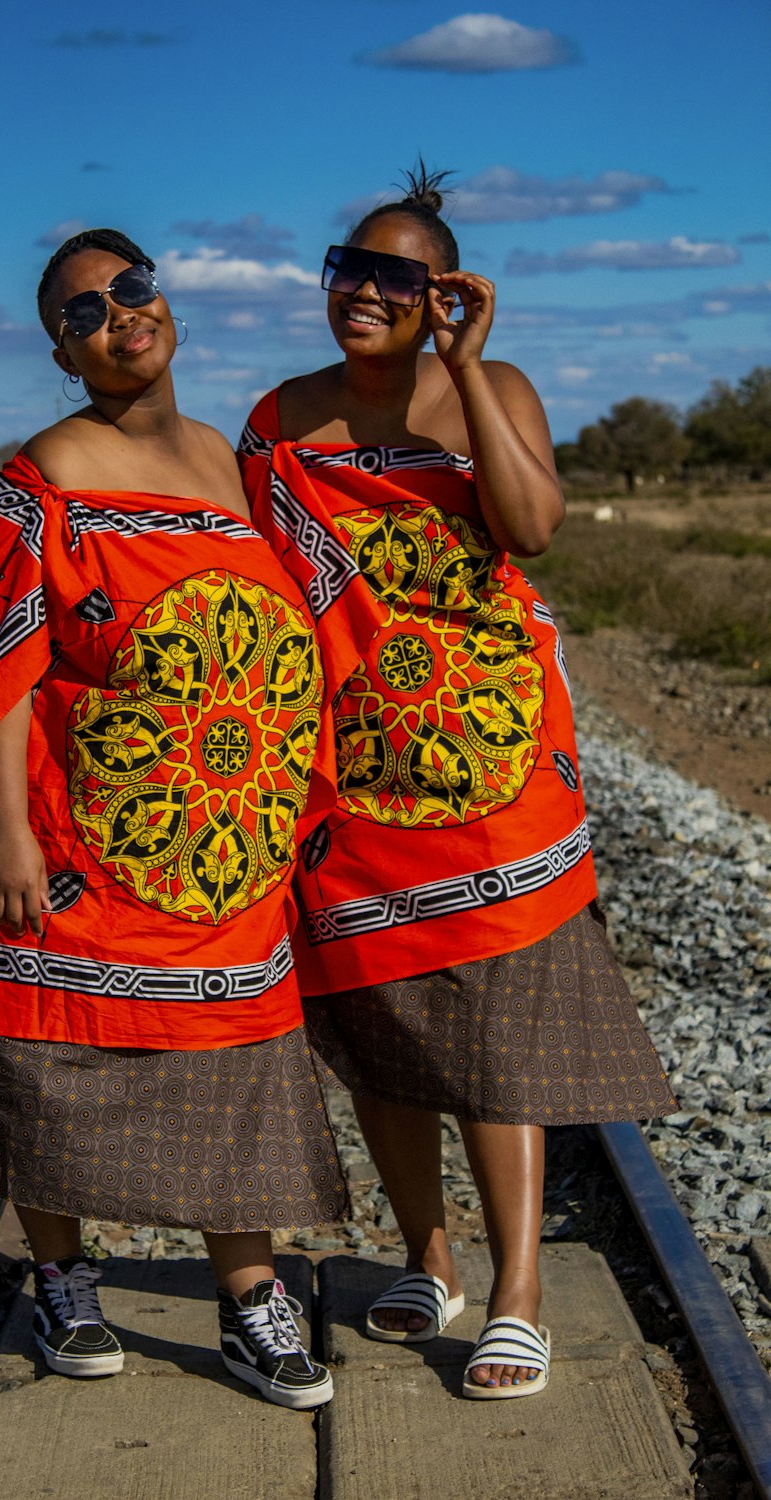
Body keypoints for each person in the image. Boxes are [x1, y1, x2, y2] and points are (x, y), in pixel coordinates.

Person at [0, 227, 354, 1410]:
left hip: (213, 839)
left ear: (162, 303)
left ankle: (249, 1303)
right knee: (41, 1054)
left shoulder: (228, 462)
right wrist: (8, 830)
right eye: (84, 312)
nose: (119, 315)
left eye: (132, 289)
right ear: (63, 354)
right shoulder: (42, 477)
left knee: (233, 1063)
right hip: (77, 827)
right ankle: (61, 1275)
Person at [238, 166, 677, 1399]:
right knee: (380, 1025)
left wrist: (472, 369)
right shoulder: (278, 421)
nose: (363, 292)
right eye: (349, 266)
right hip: (348, 773)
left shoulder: (497, 391)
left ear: (442, 292)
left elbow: (530, 526)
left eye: (395, 276)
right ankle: (426, 1260)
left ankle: (519, 1294)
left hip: (486, 765)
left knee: (491, 1035)